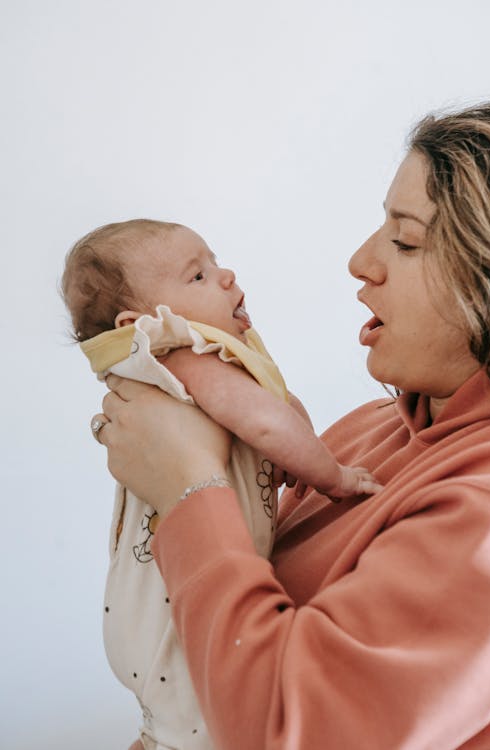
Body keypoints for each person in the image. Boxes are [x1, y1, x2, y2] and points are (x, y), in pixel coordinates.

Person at [93, 101, 490, 749]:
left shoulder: (486, 516)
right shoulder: (368, 430)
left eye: (406, 238)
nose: (361, 261)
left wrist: (187, 489)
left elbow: (291, 734)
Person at [62, 220, 380, 750]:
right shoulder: (183, 353)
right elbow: (263, 422)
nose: (227, 276)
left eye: (215, 263)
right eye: (199, 276)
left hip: (165, 609)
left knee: (178, 726)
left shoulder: (206, 362)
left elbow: (273, 413)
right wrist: (335, 476)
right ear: (140, 322)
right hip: (173, 608)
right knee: (205, 722)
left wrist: (285, 445)